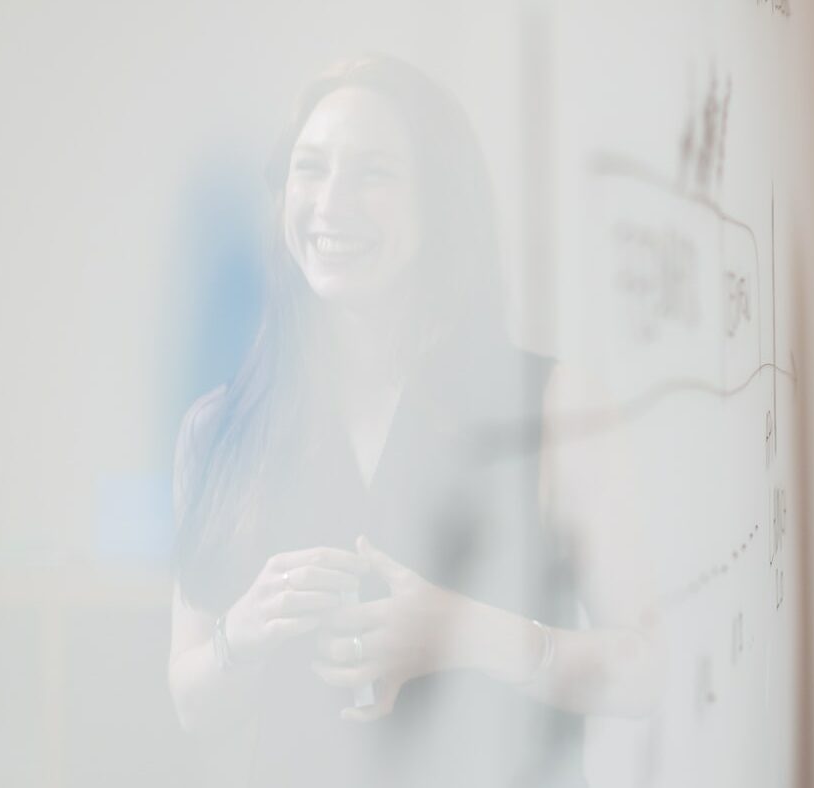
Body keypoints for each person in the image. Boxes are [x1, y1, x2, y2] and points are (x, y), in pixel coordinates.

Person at [166, 56, 652, 787]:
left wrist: (465, 634)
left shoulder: (556, 407)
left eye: (374, 173)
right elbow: (191, 703)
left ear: (441, 204)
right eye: (310, 168)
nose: (331, 204)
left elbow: (651, 670)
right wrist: (247, 629)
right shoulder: (218, 429)